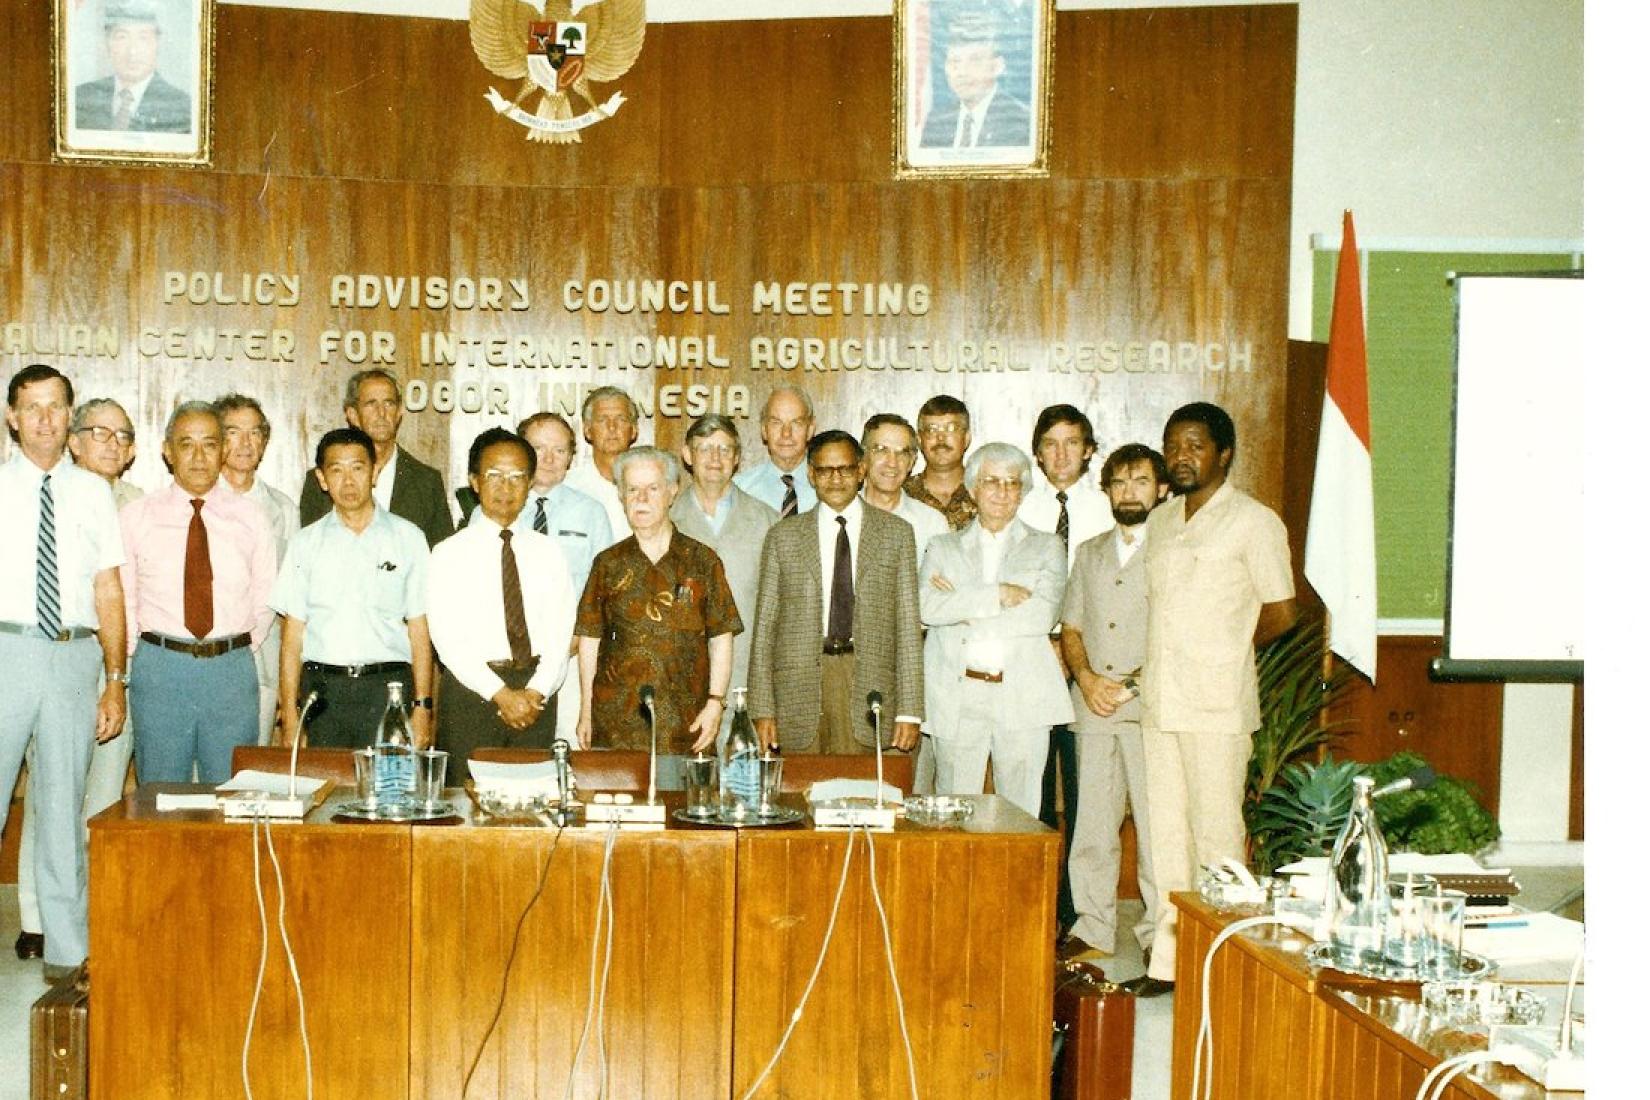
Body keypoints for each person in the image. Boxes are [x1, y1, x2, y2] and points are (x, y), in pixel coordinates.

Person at [1127, 402, 1298, 998]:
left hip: (1217, 704)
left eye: (1195, 445)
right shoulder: (1161, 522)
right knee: (1166, 838)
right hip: (1162, 702)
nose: (1181, 456)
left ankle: (1225, 969)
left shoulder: (1254, 522)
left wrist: (1224, 647)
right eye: (1174, 445)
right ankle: (1171, 965)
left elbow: (1281, 611)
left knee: (1218, 838)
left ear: (1224, 454)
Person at [0, 366, 127, 982]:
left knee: (60, 808)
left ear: (68, 417)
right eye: (33, 407)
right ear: (12, 417)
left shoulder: (93, 493)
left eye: (56, 407)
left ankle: (68, 956)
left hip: (75, 658)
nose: (45, 419)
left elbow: (108, 588)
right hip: (6, 653)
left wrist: (114, 677)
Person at [120, 402, 276, 785]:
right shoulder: (137, 516)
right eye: (186, 444)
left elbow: (266, 593)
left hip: (231, 670)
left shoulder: (251, 516)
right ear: (167, 451)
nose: (199, 456)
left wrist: (236, 646)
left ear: (223, 450)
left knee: (231, 793)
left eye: (209, 444)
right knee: (159, 794)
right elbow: (124, 597)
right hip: (161, 668)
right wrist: (141, 655)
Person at [1058, 443, 1170, 963]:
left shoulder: (1173, 550)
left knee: (1156, 828)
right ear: (1106, 492)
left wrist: (1132, 685)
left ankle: (1158, 936)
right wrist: (1085, 679)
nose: (1129, 493)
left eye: (1141, 481)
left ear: (1162, 488)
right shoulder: (1089, 551)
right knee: (1093, 826)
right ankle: (1094, 925)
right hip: (1095, 707)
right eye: (1119, 483)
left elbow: (1177, 633)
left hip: (1151, 709)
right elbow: (1072, 627)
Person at [748, 430, 924, 755]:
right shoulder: (783, 536)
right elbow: (764, 631)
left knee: (859, 795)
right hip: (798, 688)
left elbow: (908, 629)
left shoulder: (896, 534)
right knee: (797, 796)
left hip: (868, 682)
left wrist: (910, 709)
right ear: (811, 475)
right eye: (825, 470)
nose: (836, 478)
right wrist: (762, 708)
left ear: (861, 471)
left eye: (844, 468)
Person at [919, 442, 1070, 816]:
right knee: (953, 814)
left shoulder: (1047, 546)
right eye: (991, 482)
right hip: (956, 695)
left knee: (1021, 816)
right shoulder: (942, 546)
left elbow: (1040, 616)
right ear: (972, 488)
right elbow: (926, 607)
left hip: (1022, 696)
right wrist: (997, 595)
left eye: (1012, 483)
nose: (1002, 492)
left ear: (1023, 491)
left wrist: (963, 607)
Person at [427, 429, 576, 781]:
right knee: (466, 809)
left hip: (535, 695)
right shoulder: (448, 553)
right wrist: (500, 695)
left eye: (516, 477)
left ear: (530, 483)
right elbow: (447, 640)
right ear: (474, 482)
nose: (505, 487)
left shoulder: (549, 552)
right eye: (494, 475)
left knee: (532, 806)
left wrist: (537, 690)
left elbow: (561, 630)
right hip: (472, 694)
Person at [271, 427, 433, 750]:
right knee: (325, 791)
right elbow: (292, 637)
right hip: (323, 693)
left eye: (358, 468)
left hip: (389, 689)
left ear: (374, 472)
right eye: (336, 470)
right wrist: (289, 713)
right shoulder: (306, 543)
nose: (348, 481)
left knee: (390, 794)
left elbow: (419, 629)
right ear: (321, 478)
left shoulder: (408, 537)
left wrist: (423, 708)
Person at [458, 412, 615, 740]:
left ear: (572, 457)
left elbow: (603, 590)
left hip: (573, 660)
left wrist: (570, 645)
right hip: (503, 669)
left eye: (560, 450)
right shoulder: (488, 510)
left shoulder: (592, 512)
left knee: (566, 750)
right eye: (539, 447)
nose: (548, 458)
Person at [576, 447, 740, 754]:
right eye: (632, 490)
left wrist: (715, 702)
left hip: (687, 721)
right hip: (615, 724)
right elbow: (589, 639)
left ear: (671, 492)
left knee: (683, 800)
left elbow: (721, 636)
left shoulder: (702, 561)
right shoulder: (607, 564)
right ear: (621, 497)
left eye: (652, 489)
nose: (641, 499)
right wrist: (586, 710)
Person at [1019, 404, 1113, 936]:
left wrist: (1077, 657)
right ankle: (1033, 900)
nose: (1061, 454)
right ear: (1037, 452)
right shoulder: (1019, 506)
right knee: (1031, 787)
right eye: (1050, 443)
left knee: (1084, 793)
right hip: (1031, 661)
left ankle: (1074, 908)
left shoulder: (1107, 508)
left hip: (1090, 665)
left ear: (1089, 450)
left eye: (1072, 443)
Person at [670, 414, 778, 735]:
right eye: (704, 448)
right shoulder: (667, 519)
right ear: (687, 455)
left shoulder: (767, 520)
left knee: (744, 779)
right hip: (682, 678)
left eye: (724, 449)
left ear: (737, 457)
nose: (714, 458)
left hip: (749, 676)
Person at [214, 394, 298, 744]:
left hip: (262, 655)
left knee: (251, 763)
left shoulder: (282, 508)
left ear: (264, 442)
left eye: (255, 433)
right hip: (202, 651)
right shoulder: (195, 501)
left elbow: (291, 595)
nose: (245, 443)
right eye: (234, 432)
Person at [298, 369, 454, 549]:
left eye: (389, 403)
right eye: (371, 404)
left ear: (399, 412)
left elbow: (441, 556)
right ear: (353, 415)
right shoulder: (320, 482)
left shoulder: (427, 482)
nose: (381, 413)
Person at [74, 0, 191, 134]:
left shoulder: (182, 107)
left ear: (157, 44)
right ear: (107, 44)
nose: (132, 52)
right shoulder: (80, 98)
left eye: (143, 38)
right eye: (122, 37)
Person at [920, 14, 1031, 150]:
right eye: (954, 62)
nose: (961, 72)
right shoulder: (936, 122)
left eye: (974, 61)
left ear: (997, 66)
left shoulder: (1021, 123)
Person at [859, 413, 948, 564]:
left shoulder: (932, 524)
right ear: (863, 456)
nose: (892, 463)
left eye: (902, 453)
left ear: (912, 461)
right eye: (881, 450)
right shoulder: (840, 517)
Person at [563, 386, 639, 538]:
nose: (612, 427)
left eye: (621, 419)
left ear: (634, 430)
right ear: (587, 430)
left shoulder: (651, 485)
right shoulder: (569, 487)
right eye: (602, 420)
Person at [734, 384, 817, 518]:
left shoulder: (831, 489)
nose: (786, 433)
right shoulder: (740, 490)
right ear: (764, 430)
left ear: (810, 430)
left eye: (796, 423)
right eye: (776, 423)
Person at [905, 394, 977, 529]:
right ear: (919, 440)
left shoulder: (986, 493)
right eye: (932, 430)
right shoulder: (902, 495)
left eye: (951, 429)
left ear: (966, 438)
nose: (940, 438)